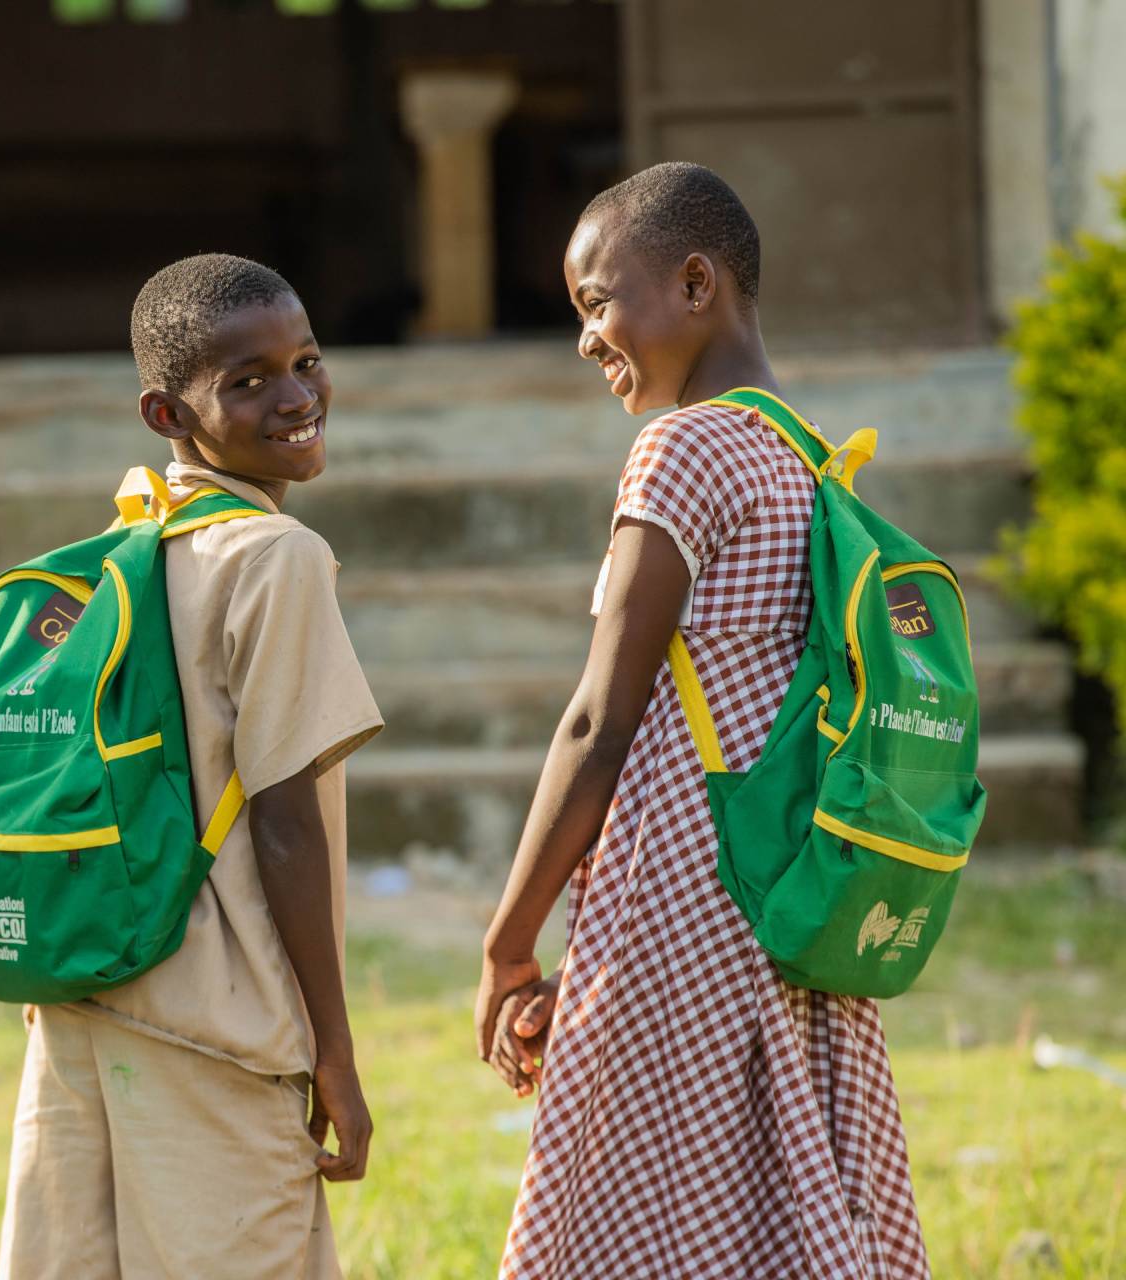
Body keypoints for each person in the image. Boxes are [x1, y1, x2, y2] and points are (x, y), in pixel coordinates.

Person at [475, 162, 928, 1277]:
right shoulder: (807, 456)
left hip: (681, 882)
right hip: (785, 877)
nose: (585, 337)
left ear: (692, 282)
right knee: (773, 1187)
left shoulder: (684, 448)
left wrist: (506, 938)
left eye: (595, 301)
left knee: (638, 1204)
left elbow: (600, 718)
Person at [0, 254, 385, 1279]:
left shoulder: (126, 549)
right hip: (221, 1023)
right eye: (247, 380)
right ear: (168, 414)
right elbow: (287, 818)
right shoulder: (275, 557)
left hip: (87, 995)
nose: (296, 395)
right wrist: (333, 1054)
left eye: (304, 361)